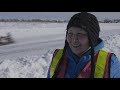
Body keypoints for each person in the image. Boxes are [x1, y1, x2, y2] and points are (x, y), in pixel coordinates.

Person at [47, 12, 120, 78]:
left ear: (92, 38)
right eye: (70, 34)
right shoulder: (58, 57)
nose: (73, 39)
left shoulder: (110, 62)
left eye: (80, 34)